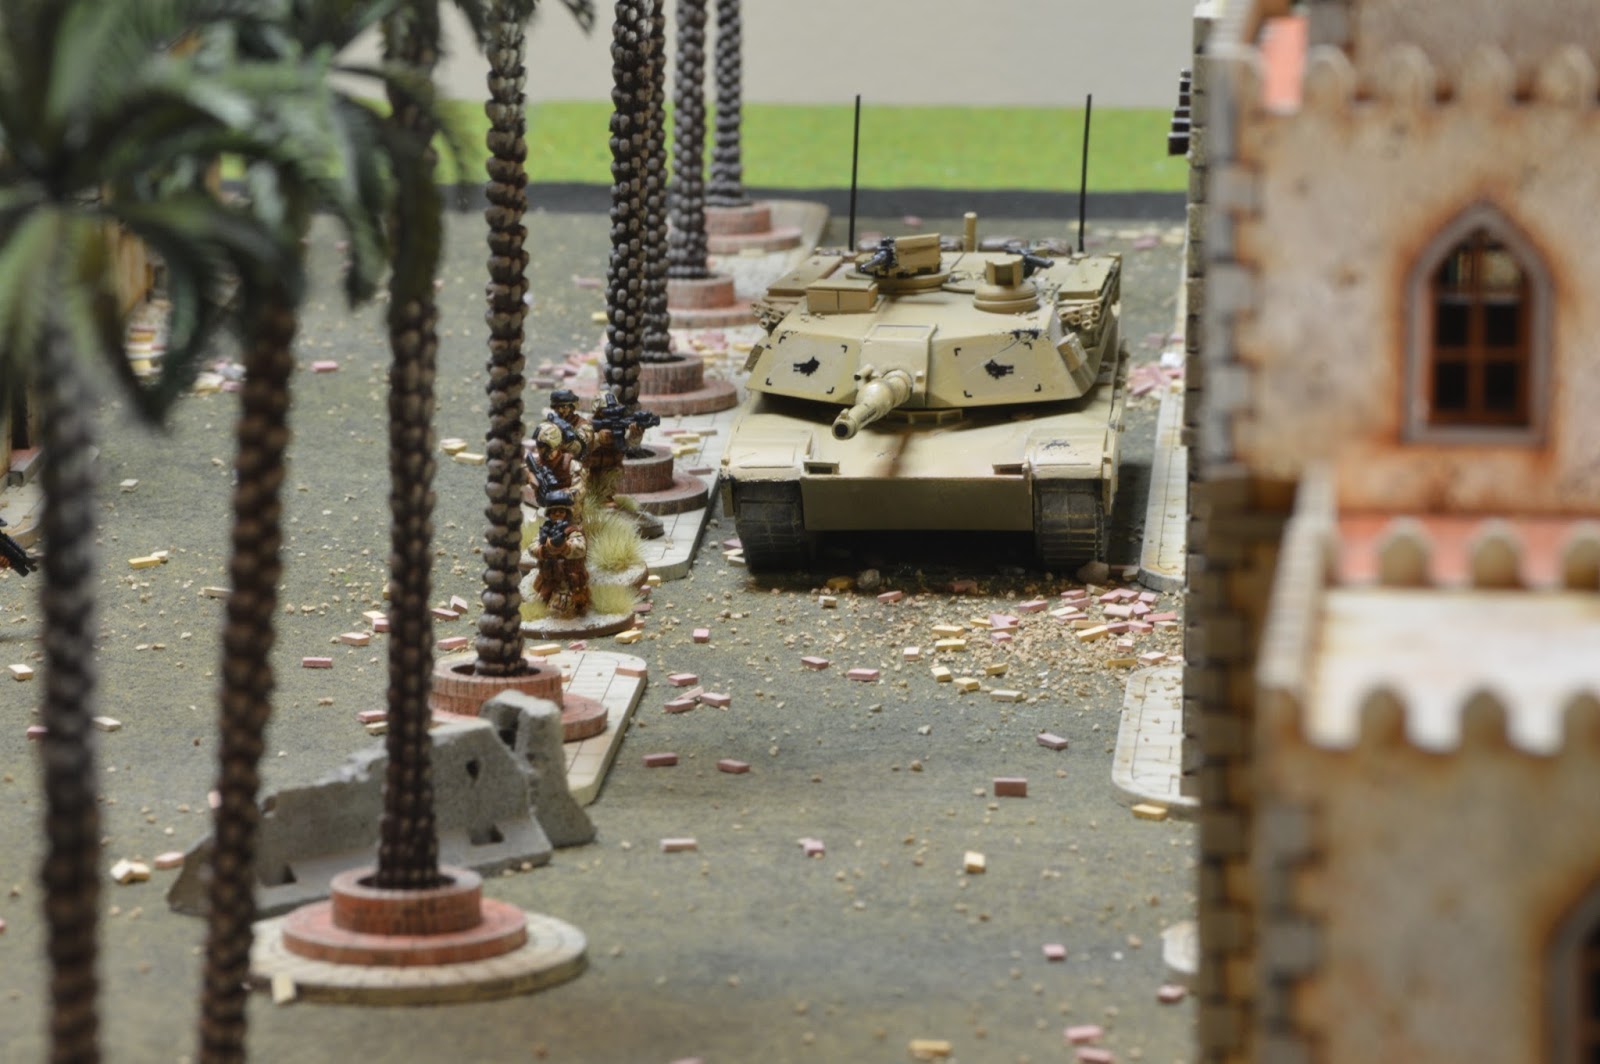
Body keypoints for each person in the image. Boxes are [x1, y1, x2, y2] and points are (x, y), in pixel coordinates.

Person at [532, 492, 589, 619]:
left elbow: (581, 548)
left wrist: (564, 547)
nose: (557, 514)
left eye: (561, 512)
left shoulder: (573, 531)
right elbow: (532, 548)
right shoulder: (545, 530)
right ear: (549, 514)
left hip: (568, 582)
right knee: (538, 605)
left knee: (560, 611)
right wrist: (544, 549)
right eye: (554, 512)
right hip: (549, 578)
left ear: (567, 513)